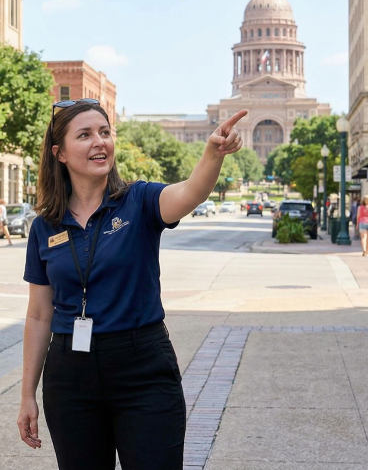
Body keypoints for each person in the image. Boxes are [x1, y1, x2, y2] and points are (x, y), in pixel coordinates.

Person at [17, 98, 248, 469]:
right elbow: (39, 315)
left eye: (105, 133)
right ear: (60, 153)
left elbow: (190, 192)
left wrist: (213, 154)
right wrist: (27, 393)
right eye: (85, 135)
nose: (100, 142)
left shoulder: (139, 201)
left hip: (142, 369)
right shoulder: (46, 226)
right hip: (70, 377)